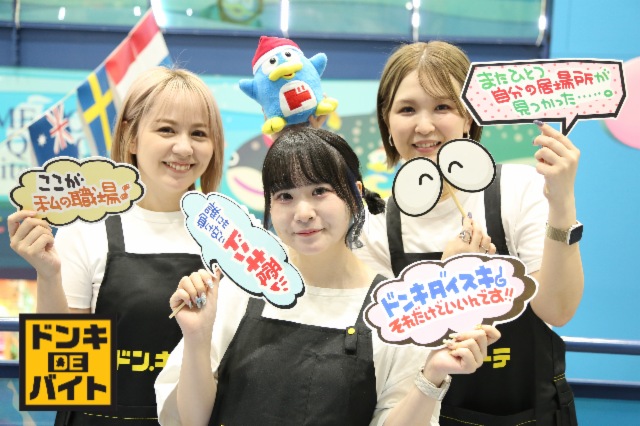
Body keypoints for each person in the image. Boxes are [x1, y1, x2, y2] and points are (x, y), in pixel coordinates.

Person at [155, 127, 501, 426]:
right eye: (285, 196)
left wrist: (433, 374)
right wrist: (197, 338)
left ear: (355, 194)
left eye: (320, 191)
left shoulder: (395, 307)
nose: (303, 212)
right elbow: (192, 420)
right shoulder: (240, 287)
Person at [355, 41, 583, 426]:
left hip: (531, 413)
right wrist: (449, 285)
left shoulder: (519, 188)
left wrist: (562, 203)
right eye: (407, 109)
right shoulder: (375, 224)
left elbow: (558, 311)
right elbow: (387, 352)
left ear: (468, 117)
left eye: (443, 107)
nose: (424, 126)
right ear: (387, 122)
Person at [8, 67, 225, 425]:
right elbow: (61, 380)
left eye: (199, 133)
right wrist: (48, 275)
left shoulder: (228, 238)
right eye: (166, 129)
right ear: (131, 136)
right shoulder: (87, 228)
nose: (184, 147)